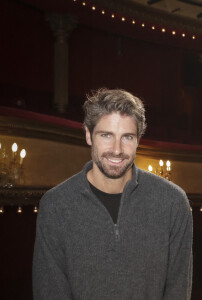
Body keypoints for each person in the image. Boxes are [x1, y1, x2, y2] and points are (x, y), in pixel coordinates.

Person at [32, 88, 193, 300]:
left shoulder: (172, 203)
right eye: (106, 135)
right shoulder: (56, 206)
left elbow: (178, 291)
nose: (117, 150)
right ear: (89, 135)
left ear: (138, 140)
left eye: (127, 137)